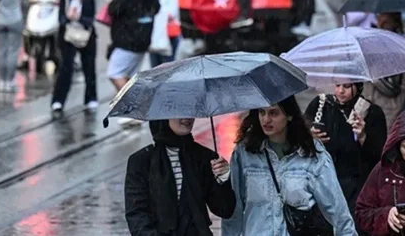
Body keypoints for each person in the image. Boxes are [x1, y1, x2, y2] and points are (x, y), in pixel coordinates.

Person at [222, 96, 357, 236]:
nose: (265, 119)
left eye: (273, 113)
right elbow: (234, 211)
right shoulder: (245, 152)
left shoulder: (312, 154)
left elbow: (338, 211)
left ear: (290, 116)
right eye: (262, 112)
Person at [124, 119, 236, 235]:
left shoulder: (204, 157)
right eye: (179, 112)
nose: (187, 117)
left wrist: (223, 178)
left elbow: (225, 209)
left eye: (189, 111)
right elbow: (136, 213)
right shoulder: (142, 161)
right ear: (164, 117)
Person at [304, 82, 387, 217]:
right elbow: (300, 135)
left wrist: (363, 136)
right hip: (324, 180)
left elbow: (379, 156)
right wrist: (310, 136)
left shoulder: (372, 112)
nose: (340, 91)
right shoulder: (321, 105)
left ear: (358, 87)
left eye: (347, 86)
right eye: (337, 85)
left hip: (356, 184)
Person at [107, 0, 160, 92]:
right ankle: (129, 106)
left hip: (126, 41)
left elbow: (113, 10)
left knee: (115, 73)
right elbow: (156, 8)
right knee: (130, 75)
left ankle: (133, 102)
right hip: (143, 40)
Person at [51, 0, 98, 114]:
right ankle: (58, 100)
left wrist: (80, 18)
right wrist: (68, 17)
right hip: (68, 37)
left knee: (89, 68)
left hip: (86, 37)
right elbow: (60, 19)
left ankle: (91, 97)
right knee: (65, 69)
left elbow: (90, 20)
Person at [365, 12, 405, 127]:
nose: (378, 20)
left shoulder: (370, 45)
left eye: (380, 17)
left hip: (379, 98)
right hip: (398, 100)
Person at [146, 0, 181, 67]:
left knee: (168, 66)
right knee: (155, 69)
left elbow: (172, 13)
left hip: (169, 37)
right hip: (154, 38)